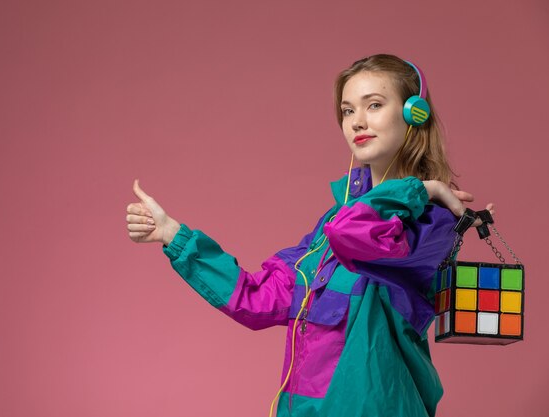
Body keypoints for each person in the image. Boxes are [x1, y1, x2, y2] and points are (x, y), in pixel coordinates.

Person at [125, 54, 494, 417]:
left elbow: (353, 235)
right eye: (348, 111)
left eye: (375, 105)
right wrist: (175, 237)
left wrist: (421, 189)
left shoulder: (432, 220)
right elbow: (258, 300)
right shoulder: (334, 220)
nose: (357, 122)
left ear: (415, 113)